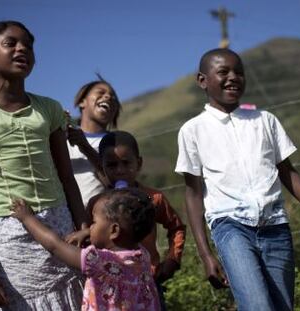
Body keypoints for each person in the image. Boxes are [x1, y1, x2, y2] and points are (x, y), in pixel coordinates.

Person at [175, 48, 300, 311]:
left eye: (239, 72)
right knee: (258, 306)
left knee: (283, 307)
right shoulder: (192, 131)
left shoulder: (265, 121)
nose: (233, 77)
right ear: (202, 80)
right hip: (231, 226)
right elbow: (192, 195)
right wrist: (205, 254)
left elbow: (288, 172)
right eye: (223, 72)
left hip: (276, 226)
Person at [0, 21, 88, 310]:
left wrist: (85, 228)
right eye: (11, 43)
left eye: (28, 44)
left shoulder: (49, 109)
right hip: (10, 232)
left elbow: (67, 178)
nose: (22, 48)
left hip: (61, 224)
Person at [68, 130, 186, 309]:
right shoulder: (97, 205)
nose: (120, 171)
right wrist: (85, 232)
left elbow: (176, 227)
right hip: (107, 291)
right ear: (102, 167)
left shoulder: (153, 198)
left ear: (138, 163)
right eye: (112, 165)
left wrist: (172, 259)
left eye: (126, 163)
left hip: (148, 282)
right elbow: (89, 241)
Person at [10, 189, 161, 311]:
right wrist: (88, 232)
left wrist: (27, 218)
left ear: (114, 231)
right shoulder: (142, 256)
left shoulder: (98, 261)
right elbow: (116, 235)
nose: (90, 227)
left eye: (93, 222)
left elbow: (55, 245)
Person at [67, 78, 121, 207]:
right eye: (101, 92)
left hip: (100, 219)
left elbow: (115, 182)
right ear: (82, 102)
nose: (108, 96)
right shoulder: (63, 136)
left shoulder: (117, 142)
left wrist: (85, 147)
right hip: (65, 218)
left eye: (113, 97)